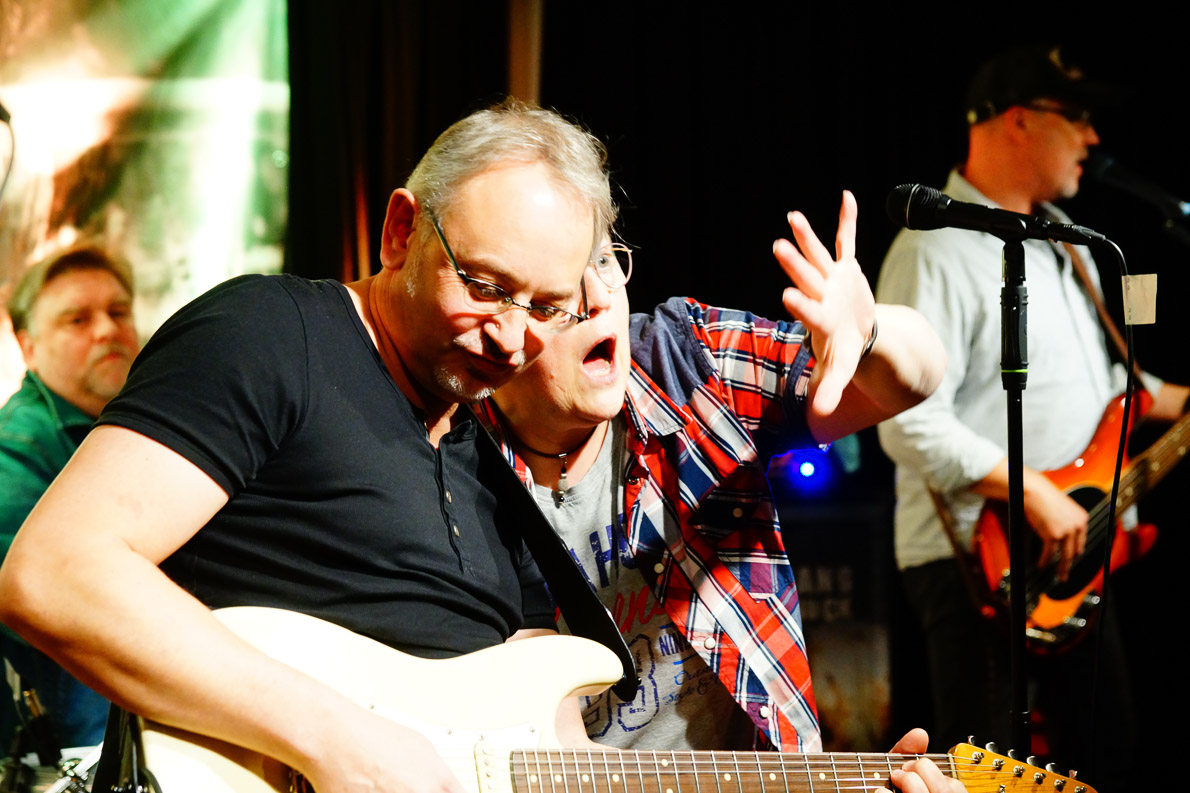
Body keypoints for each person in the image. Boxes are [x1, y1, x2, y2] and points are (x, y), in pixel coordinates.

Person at [0, 101, 612, 793]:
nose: (511, 335)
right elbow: (55, 572)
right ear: (401, 231)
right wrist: (336, 740)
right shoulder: (268, 334)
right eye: (485, 286)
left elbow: (546, 725)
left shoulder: (489, 460)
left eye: (546, 307)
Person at [481, 191, 958, 791]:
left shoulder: (680, 363)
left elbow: (916, 376)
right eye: (566, 280)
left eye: (604, 260)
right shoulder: (451, 459)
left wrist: (869, 335)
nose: (599, 296)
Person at [875, 45, 1188, 785]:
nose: (1093, 136)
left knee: (1105, 755)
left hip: (1080, 554)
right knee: (985, 771)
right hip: (978, 562)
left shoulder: (1064, 243)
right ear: (1017, 120)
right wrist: (1034, 493)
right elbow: (903, 421)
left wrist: (1175, 399)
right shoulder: (932, 249)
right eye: (1075, 117)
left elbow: (1114, 382)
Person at [1, 246, 138, 751]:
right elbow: (44, 604)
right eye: (77, 319)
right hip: (75, 748)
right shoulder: (15, 448)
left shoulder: (135, 426)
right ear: (29, 347)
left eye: (118, 312)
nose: (106, 330)